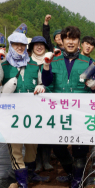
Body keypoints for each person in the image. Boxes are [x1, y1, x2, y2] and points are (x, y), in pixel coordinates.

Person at [0, 32, 49, 188]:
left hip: (31, 114)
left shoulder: (33, 67)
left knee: (32, 146)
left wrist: (41, 87)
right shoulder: (4, 65)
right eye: (16, 45)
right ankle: (22, 183)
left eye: (22, 45)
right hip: (11, 115)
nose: (19, 48)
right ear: (10, 46)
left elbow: (41, 84)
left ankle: (30, 173)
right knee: (16, 149)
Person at [42, 25, 95, 188]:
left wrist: (93, 85)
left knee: (80, 147)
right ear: (62, 40)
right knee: (58, 146)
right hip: (59, 112)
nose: (70, 42)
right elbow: (47, 83)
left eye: (74, 39)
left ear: (78, 42)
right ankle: (70, 172)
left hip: (80, 112)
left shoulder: (89, 62)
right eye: (67, 38)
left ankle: (77, 181)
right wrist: (45, 67)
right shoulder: (55, 61)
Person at [28, 35, 55, 172]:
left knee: (46, 129)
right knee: (34, 131)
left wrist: (45, 88)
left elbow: (53, 81)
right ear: (32, 47)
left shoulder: (51, 62)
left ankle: (46, 160)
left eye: (42, 45)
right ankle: (37, 162)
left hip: (47, 101)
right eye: (36, 45)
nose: (39, 47)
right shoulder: (28, 62)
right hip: (32, 102)